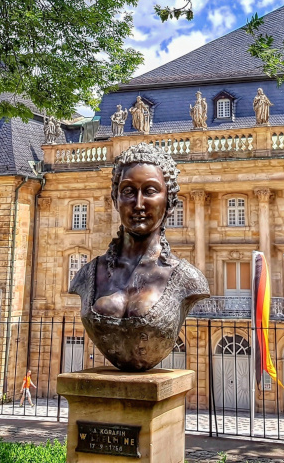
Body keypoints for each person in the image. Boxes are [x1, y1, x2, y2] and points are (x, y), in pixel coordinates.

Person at [69, 143, 209, 371]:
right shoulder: (88, 275)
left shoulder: (188, 279)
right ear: (115, 200)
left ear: (170, 201)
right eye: (128, 191)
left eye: (151, 190)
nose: (139, 204)